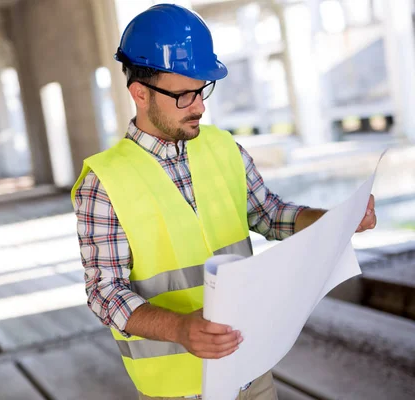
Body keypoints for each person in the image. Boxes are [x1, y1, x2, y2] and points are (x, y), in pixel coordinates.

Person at [71, 4, 377, 400]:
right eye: (183, 95)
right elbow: (104, 291)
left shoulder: (222, 148)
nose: (199, 106)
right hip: (176, 388)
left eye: (202, 89)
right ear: (140, 93)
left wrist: (338, 220)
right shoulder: (104, 182)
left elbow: (270, 214)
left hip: (250, 370)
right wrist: (181, 328)